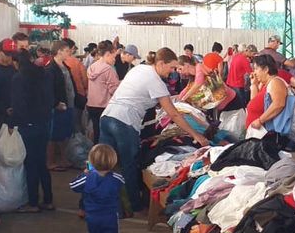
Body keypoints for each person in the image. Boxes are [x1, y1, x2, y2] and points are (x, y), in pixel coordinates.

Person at [101, 48, 209, 211]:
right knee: (129, 164)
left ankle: (94, 202)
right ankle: (135, 205)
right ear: (161, 63)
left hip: (107, 117)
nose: (173, 71)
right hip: (124, 122)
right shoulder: (156, 81)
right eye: (171, 67)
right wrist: (196, 135)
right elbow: (173, 114)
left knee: (102, 162)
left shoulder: (139, 69)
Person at [70, 144, 124, 233]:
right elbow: (121, 184)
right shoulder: (117, 178)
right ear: (113, 161)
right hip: (110, 218)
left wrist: (85, 174)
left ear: (91, 161)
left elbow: (73, 186)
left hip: (92, 217)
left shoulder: (87, 178)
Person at [10, 50, 55, 213]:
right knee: (42, 162)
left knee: (30, 164)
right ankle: (48, 200)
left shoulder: (19, 78)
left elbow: (18, 104)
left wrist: (14, 121)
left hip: (28, 125)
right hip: (44, 123)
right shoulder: (44, 74)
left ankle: (33, 202)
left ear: (16, 63)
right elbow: (50, 98)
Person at [248, 55, 295, 142]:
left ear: (266, 69)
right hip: (261, 133)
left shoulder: (275, 82)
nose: (254, 72)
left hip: (268, 134)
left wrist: (260, 120)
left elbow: (278, 104)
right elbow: (253, 102)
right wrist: (254, 85)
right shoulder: (265, 84)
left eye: (256, 69)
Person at [45, 40, 75, 171]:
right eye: (67, 51)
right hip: (57, 107)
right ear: (59, 52)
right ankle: (50, 161)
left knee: (64, 134)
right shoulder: (50, 69)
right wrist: (55, 103)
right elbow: (48, 90)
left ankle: (63, 159)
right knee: (53, 136)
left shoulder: (64, 67)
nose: (69, 53)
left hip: (67, 104)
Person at [86, 41, 121, 142]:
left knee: (96, 131)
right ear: (108, 54)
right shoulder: (108, 69)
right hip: (104, 106)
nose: (114, 59)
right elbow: (113, 89)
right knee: (105, 135)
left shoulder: (92, 67)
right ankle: (103, 151)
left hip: (91, 104)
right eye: (113, 57)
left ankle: (96, 150)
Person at [62, 38, 89, 133]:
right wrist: (85, 89)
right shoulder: (76, 62)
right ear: (70, 49)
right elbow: (85, 79)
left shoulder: (57, 62)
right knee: (77, 122)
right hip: (78, 95)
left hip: (62, 98)